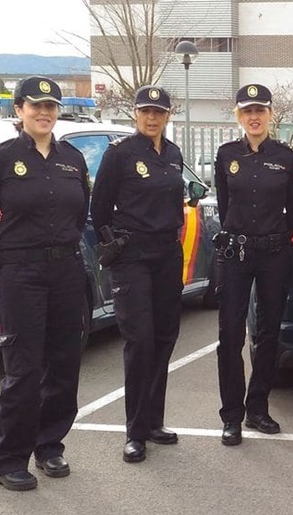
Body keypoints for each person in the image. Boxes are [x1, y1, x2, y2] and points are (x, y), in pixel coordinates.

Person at [0, 76, 90, 490]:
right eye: (35, 105)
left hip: (65, 269)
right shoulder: (2, 158)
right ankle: (9, 456)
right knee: (23, 369)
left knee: (64, 363)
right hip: (21, 273)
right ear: (19, 109)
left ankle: (49, 444)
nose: (44, 112)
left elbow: (80, 214)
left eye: (51, 106)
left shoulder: (72, 158)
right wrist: (5, 263)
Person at [91, 85, 185, 464]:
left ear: (167, 116)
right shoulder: (120, 154)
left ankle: (153, 422)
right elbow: (99, 210)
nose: (152, 118)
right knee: (140, 340)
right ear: (135, 113)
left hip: (166, 253)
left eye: (158, 112)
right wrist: (112, 246)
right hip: (133, 256)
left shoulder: (174, 154)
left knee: (165, 337)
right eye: (145, 111)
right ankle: (134, 433)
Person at [213, 84, 293, 446]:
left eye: (260, 111)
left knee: (268, 333)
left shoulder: (287, 157)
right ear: (239, 115)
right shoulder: (225, 155)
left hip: (273, 254)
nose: (254, 117)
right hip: (236, 254)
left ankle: (258, 408)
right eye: (247, 111)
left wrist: (276, 240)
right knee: (229, 336)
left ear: (270, 115)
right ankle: (231, 416)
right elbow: (224, 203)